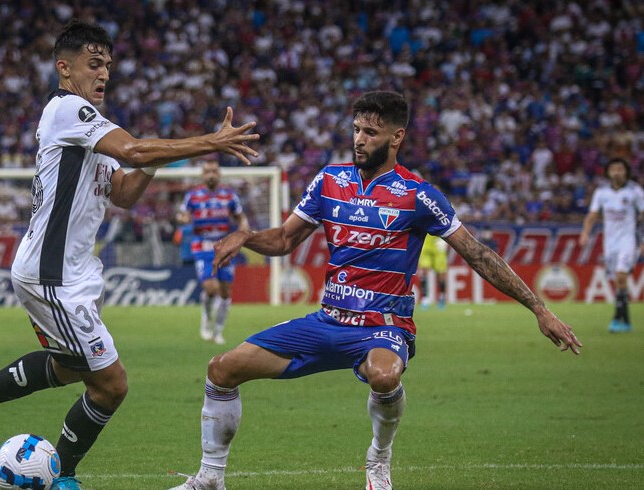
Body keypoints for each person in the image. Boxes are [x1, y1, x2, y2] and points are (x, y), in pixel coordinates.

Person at [169, 91, 582, 490]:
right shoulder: (330, 181)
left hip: (383, 327)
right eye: (356, 130)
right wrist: (245, 236)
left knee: (384, 376)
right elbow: (283, 240)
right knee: (222, 369)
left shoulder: (418, 195)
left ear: (396, 137)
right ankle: (209, 478)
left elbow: (478, 254)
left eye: (370, 132)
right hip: (327, 320)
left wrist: (539, 308)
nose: (359, 140)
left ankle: (379, 460)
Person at [0, 19, 260, 490]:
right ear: (64, 68)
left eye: (107, 64)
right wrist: (210, 142)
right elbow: (134, 150)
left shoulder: (92, 129)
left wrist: (157, 158)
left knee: (69, 367)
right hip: (52, 275)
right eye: (93, 63)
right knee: (111, 384)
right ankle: (63, 474)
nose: (103, 72)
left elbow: (123, 191)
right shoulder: (67, 109)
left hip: (75, 273)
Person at [177, 158, 250, 344]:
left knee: (225, 291)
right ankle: (206, 319)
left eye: (214, 171)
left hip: (224, 246)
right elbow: (182, 214)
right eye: (208, 171)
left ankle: (218, 331)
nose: (211, 175)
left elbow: (240, 217)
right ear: (203, 175)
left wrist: (243, 227)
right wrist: (183, 219)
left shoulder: (229, 195)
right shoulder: (193, 195)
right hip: (202, 246)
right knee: (211, 287)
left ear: (219, 174)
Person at [579, 157, 644, 333]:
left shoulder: (635, 191)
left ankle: (616, 318)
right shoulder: (601, 193)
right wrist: (585, 233)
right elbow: (592, 215)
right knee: (618, 281)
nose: (616, 172)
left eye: (620, 169)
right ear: (608, 172)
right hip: (610, 242)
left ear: (626, 172)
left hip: (629, 240)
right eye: (613, 169)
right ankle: (625, 321)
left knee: (621, 275)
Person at [417, 234, 448, 309]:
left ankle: (442, 297)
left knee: (441, 273)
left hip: (438, 243)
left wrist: (446, 241)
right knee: (423, 272)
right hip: (425, 243)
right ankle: (425, 299)